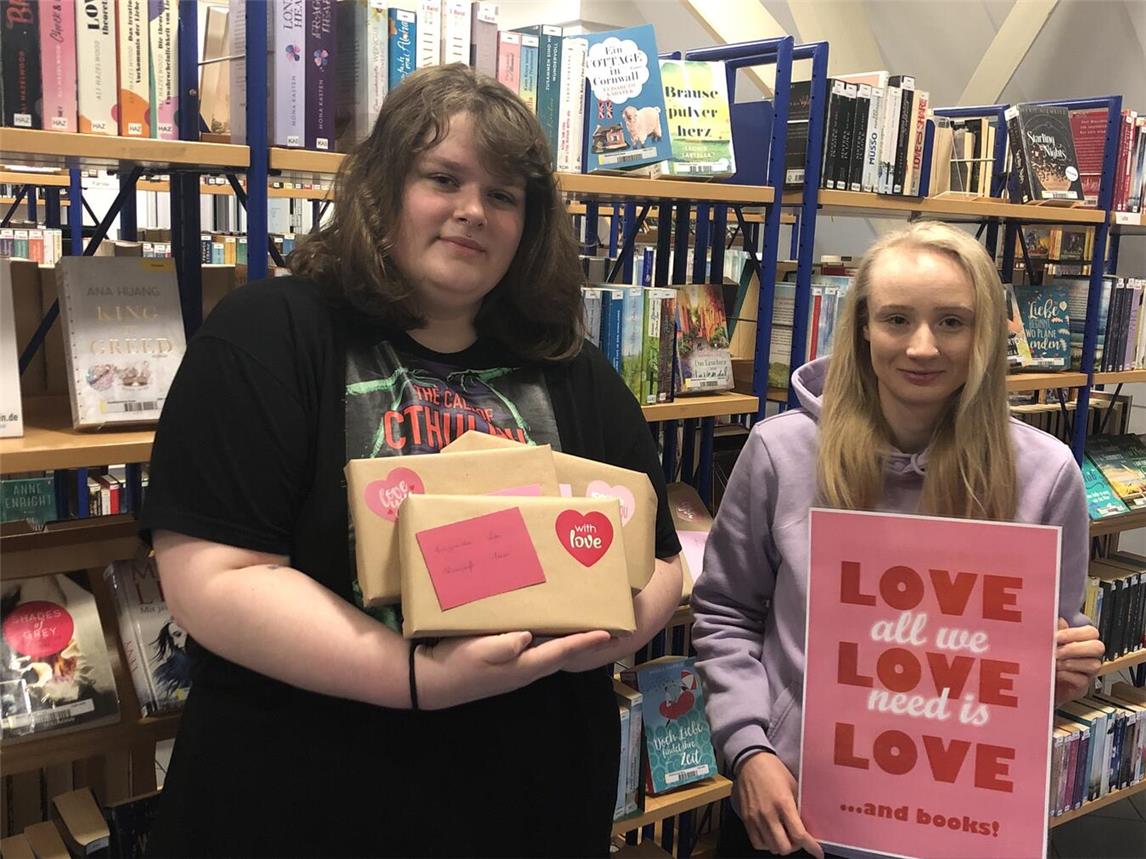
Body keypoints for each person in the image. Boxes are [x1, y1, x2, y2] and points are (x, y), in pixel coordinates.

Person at [142, 63, 683, 857]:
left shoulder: (572, 368)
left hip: (527, 807)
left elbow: (661, 558)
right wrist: (418, 678)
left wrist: (603, 638)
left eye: (504, 195)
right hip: (302, 806)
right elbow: (211, 578)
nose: (473, 211)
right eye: (443, 178)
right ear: (384, 188)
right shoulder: (270, 333)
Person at [689, 222, 1105, 858]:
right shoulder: (781, 452)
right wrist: (749, 749)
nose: (922, 346)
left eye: (952, 322)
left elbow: (1041, 650)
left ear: (985, 333)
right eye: (897, 319)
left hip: (954, 817)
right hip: (797, 806)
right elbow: (726, 612)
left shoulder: (1045, 476)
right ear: (863, 326)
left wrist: (1063, 669)